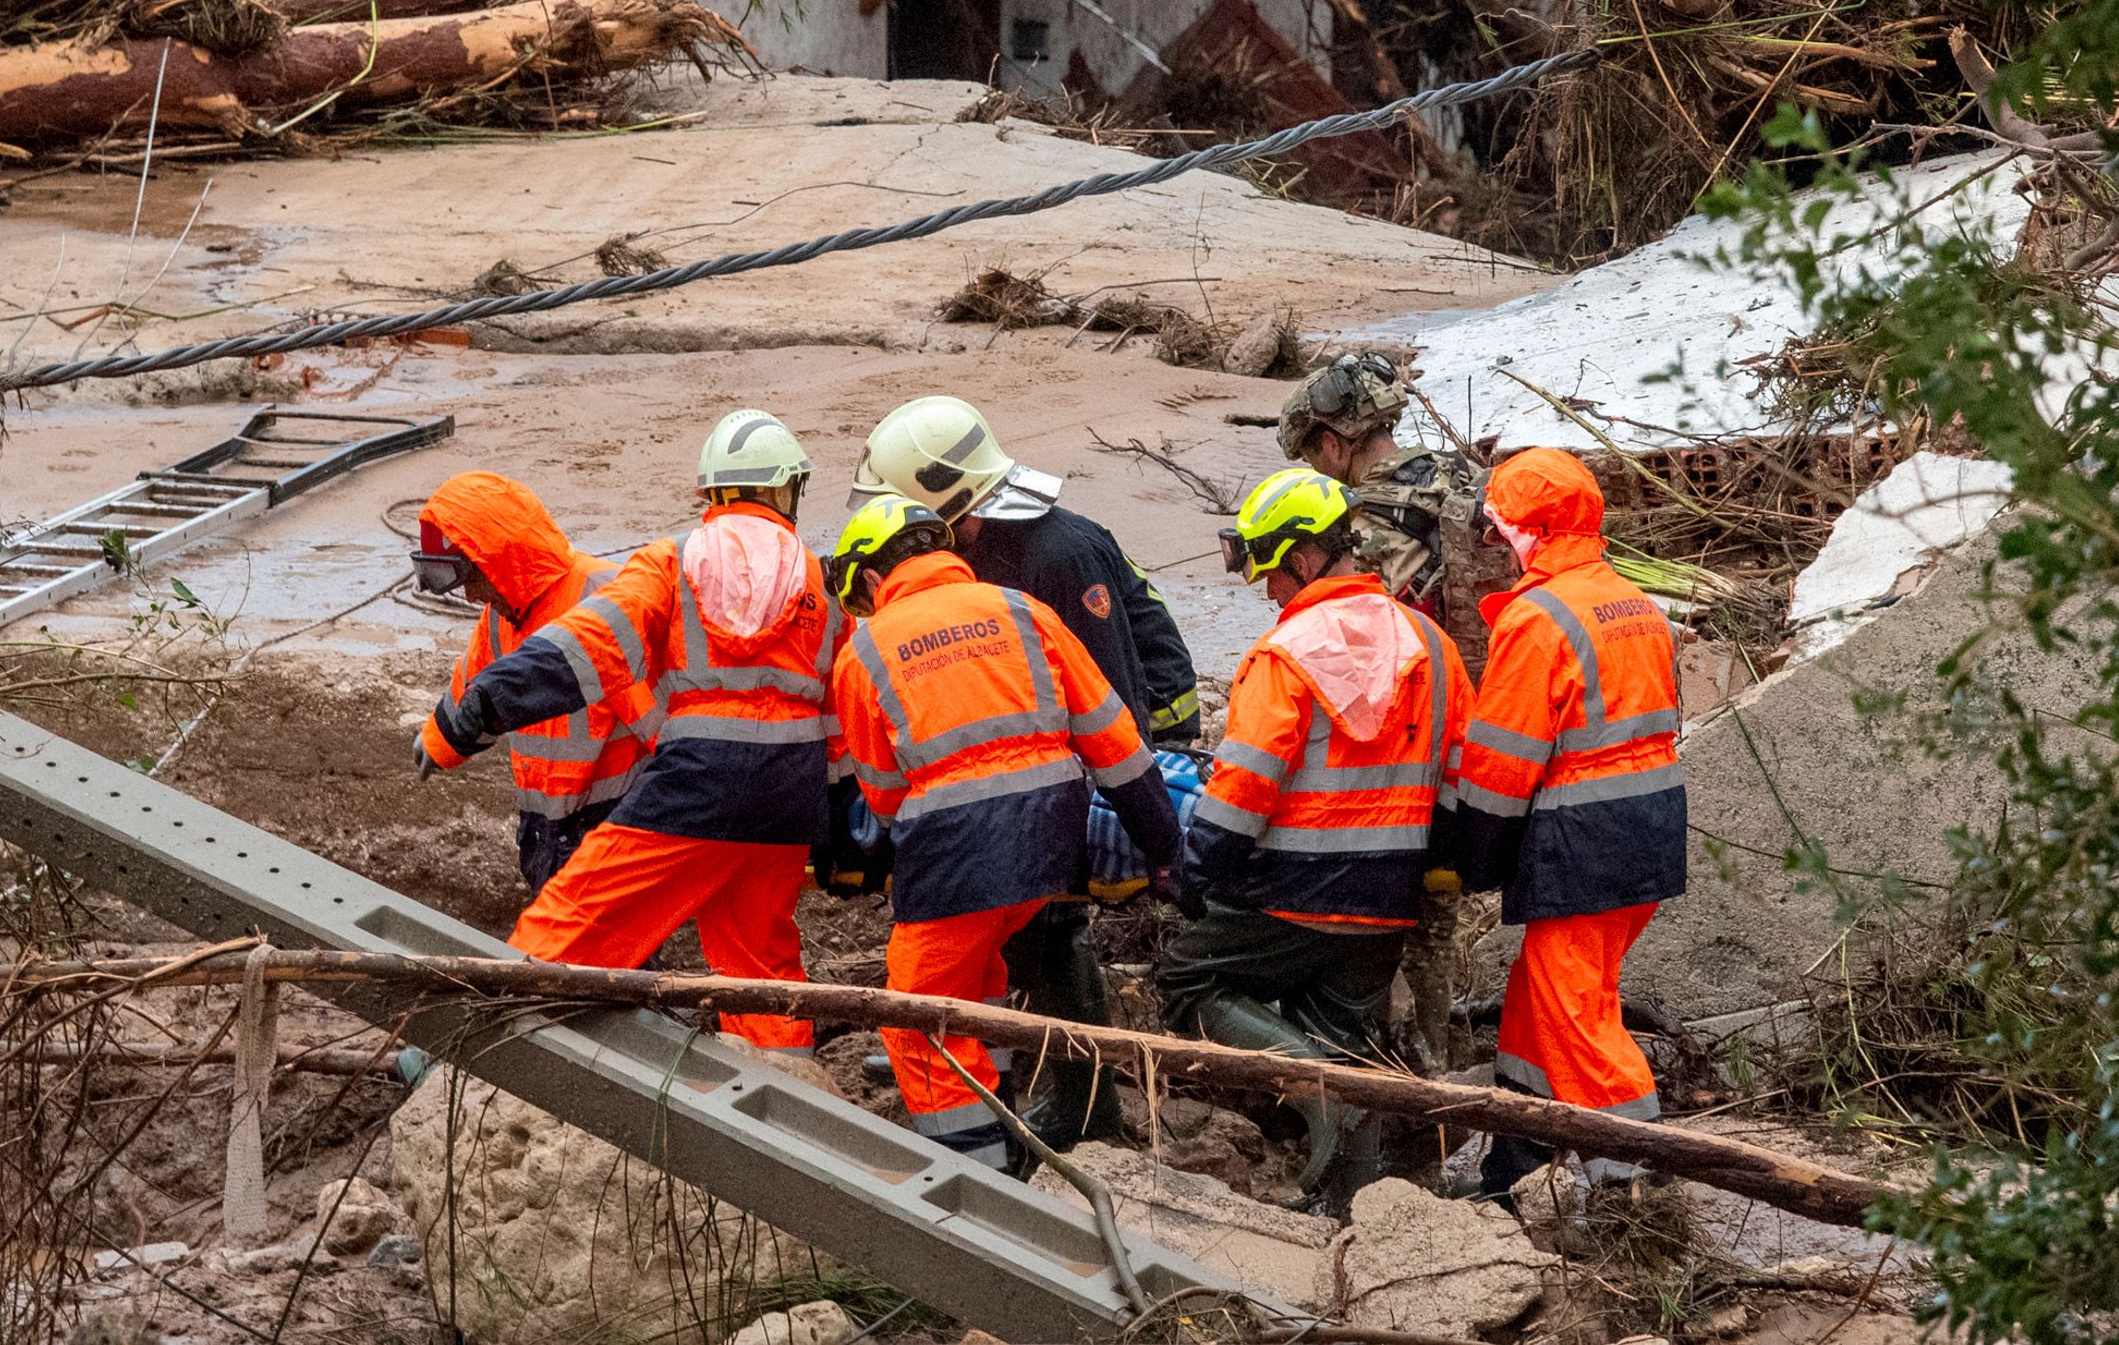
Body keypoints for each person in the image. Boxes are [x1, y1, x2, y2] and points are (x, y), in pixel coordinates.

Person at [424, 408, 834, 1052]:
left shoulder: (672, 562)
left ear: (712, 493)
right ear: (786, 490)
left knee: (568, 923)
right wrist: (842, 819)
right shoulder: (818, 582)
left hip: (701, 782)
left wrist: (495, 698)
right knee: (760, 965)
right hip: (790, 796)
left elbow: (591, 645)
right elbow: (840, 707)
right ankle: (794, 1103)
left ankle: (466, 1056)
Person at [855, 393, 1201, 1145]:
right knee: (1019, 941)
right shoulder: (990, 557)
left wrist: (1150, 837)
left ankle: (1086, 1111)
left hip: (1085, 777)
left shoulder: (1056, 552)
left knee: (1054, 933)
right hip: (1048, 783)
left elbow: (1115, 703)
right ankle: (1025, 1088)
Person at [1158, 465, 1476, 1210]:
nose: (1268, 590)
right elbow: (1459, 777)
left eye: (1269, 572)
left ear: (1302, 559)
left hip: (1293, 890)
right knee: (1344, 1038)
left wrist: (1194, 872)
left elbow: (1244, 786)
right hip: (1391, 894)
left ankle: (1317, 1096)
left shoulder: (1286, 653)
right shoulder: (1431, 643)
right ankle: (1352, 1208)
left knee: (1187, 978)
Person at [1432, 447, 1687, 1193]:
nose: (1497, 547)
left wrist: (1466, 856)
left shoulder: (1537, 620)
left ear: (1533, 530)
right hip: (1648, 834)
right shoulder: (1635, 602)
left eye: (1501, 530)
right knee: (1543, 995)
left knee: (1576, 1012)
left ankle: (1637, 1186)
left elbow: (1499, 766)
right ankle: (1516, 1156)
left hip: (1585, 844)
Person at [410, 470, 650, 898]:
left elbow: (665, 728)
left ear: (500, 561)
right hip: (547, 829)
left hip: (612, 828)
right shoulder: (504, 617)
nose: (471, 597)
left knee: (607, 955)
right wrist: (439, 741)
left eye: (472, 580)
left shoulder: (605, 602)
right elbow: (474, 688)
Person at [1280, 348, 1494, 660]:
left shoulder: (1356, 533)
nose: (1317, 471)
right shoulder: (1466, 472)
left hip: (1438, 686)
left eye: (1313, 460)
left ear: (1331, 446)